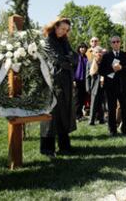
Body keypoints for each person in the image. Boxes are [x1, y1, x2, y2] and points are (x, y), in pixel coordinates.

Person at [41, 17, 77, 157]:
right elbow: (57, 59)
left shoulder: (64, 41)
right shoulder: (47, 40)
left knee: (64, 114)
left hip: (65, 81)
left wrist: (69, 59)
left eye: (66, 30)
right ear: (55, 26)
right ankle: (47, 149)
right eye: (62, 28)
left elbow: (75, 58)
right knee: (51, 115)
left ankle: (64, 146)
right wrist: (68, 59)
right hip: (52, 82)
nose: (64, 32)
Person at [99, 36, 126, 136]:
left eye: (118, 41)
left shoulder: (125, 55)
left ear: (120, 43)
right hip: (110, 87)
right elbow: (101, 71)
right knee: (111, 108)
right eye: (113, 42)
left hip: (123, 86)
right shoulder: (106, 56)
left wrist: (121, 68)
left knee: (125, 108)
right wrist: (112, 69)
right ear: (111, 44)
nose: (116, 43)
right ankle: (112, 130)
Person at [86, 46, 105, 125]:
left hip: (104, 86)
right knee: (93, 104)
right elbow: (87, 76)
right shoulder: (90, 62)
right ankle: (91, 120)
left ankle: (101, 119)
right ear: (93, 53)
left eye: (100, 52)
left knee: (101, 103)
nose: (98, 54)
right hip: (94, 86)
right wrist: (87, 87)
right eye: (96, 52)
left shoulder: (105, 62)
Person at [74, 42, 88, 120]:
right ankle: (76, 115)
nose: (82, 49)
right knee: (77, 98)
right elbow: (73, 68)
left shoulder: (85, 57)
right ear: (79, 49)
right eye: (81, 47)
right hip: (77, 80)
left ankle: (80, 114)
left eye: (84, 47)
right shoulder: (76, 57)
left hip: (84, 80)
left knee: (82, 98)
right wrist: (73, 80)